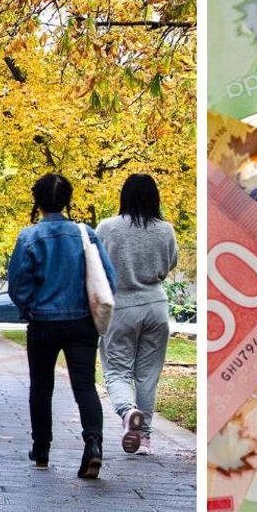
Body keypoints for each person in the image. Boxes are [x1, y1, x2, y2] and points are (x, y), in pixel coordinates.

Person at [8, 173, 117, 479]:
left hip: (43, 321)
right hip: (82, 322)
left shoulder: (29, 237)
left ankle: (41, 449)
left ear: (38, 201)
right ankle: (93, 442)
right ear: (68, 200)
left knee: (41, 387)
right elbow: (107, 278)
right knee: (84, 385)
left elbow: (18, 283)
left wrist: (28, 306)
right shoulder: (86, 234)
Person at [96, 174, 179, 456]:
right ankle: (143, 439)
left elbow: (95, 265)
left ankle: (127, 410)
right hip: (156, 305)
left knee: (117, 371)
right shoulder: (166, 230)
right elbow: (169, 265)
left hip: (120, 307)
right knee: (148, 375)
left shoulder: (107, 228)